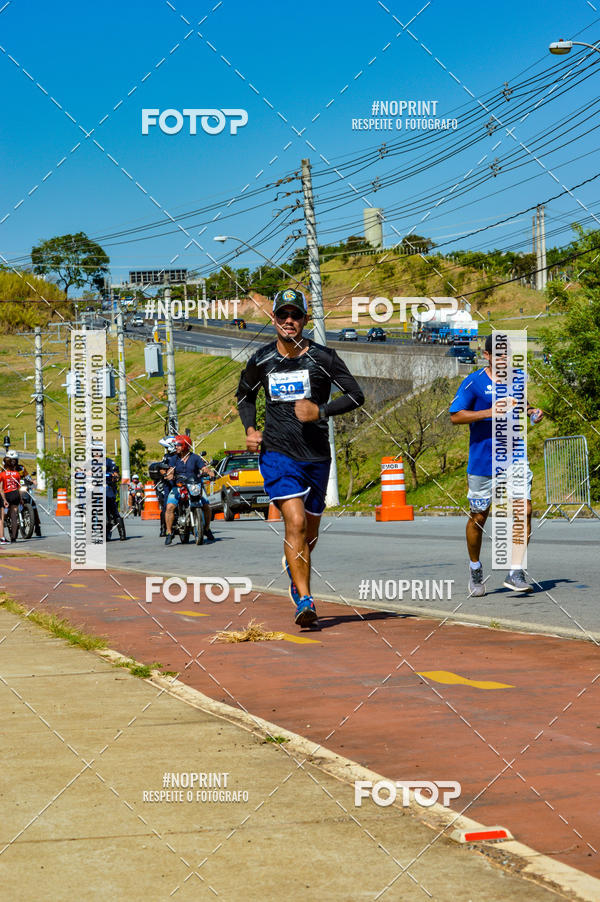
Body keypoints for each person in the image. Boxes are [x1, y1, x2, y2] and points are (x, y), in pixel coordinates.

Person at [236, 287, 365, 627]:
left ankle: (296, 575)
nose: (289, 321)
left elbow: (356, 395)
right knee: (293, 523)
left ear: (305, 320)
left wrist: (320, 410)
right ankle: (305, 600)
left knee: (309, 533)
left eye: (295, 315)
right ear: (274, 319)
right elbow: (244, 397)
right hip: (278, 454)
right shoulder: (261, 360)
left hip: (317, 457)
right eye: (283, 315)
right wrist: (250, 429)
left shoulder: (324, 358)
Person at [449, 333, 543, 596]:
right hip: (482, 462)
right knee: (479, 517)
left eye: (508, 355)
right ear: (487, 355)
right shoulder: (473, 383)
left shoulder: (518, 379)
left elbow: (519, 405)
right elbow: (456, 416)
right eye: (499, 355)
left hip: (515, 457)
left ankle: (516, 571)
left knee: (523, 510)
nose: (505, 360)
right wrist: (490, 413)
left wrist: (532, 411)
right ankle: (475, 567)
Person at [161, 434, 215, 545]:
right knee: (170, 506)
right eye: (176, 445)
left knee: (207, 506)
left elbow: (204, 468)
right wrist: (169, 475)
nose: (176, 447)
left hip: (195, 485)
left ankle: (206, 529)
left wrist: (209, 472)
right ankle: (169, 532)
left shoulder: (195, 457)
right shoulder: (173, 459)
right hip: (179, 486)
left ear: (185, 446)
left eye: (179, 445)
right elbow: (170, 470)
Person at [0, 450, 22, 543]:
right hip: (15, 494)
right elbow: (19, 487)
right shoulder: (17, 474)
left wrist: (4, 499)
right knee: (14, 517)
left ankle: (2, 535)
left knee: (2, 515)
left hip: (7, 493)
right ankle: (13, 537)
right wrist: (20, 499)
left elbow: (1, 488)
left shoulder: (2, 474)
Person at [106, 457, 126, 541]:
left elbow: (116, 475)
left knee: (114, 511)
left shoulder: (109, 462)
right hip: (92, 488)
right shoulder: (90, 462)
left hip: (107, 488)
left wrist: (114, 475)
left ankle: (122, 533)